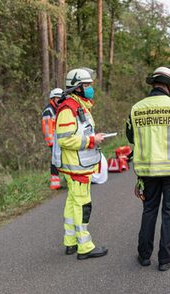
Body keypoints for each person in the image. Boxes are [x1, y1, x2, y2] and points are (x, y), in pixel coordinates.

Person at [126, 66, 170, 271]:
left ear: (154, 83)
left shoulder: (136, 108)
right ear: (169, 85)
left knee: (149, 210)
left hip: (147, 170)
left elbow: (131, 137)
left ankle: (144, 255)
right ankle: (166, 258)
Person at [52, 68, 108, 260]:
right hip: (76, 167)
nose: (91, 88)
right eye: (87, 85)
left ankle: (71, 242)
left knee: (72, 203)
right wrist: (92, 141)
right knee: (82, 205)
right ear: (77, 88)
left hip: (76, 165)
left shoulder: (78, 105)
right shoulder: (69, 108)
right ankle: (85, 247)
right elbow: (65, 139)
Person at [42, 88, 63, 190]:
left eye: (60, 97)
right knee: (55, 161)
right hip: (53, 141)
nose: (59, 99)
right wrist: (50, 142)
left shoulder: (60, 108)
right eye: (57, 98)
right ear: (53, 98)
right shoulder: (48, 110)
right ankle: (55, 183)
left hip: (61, 139)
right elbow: (47, 127)